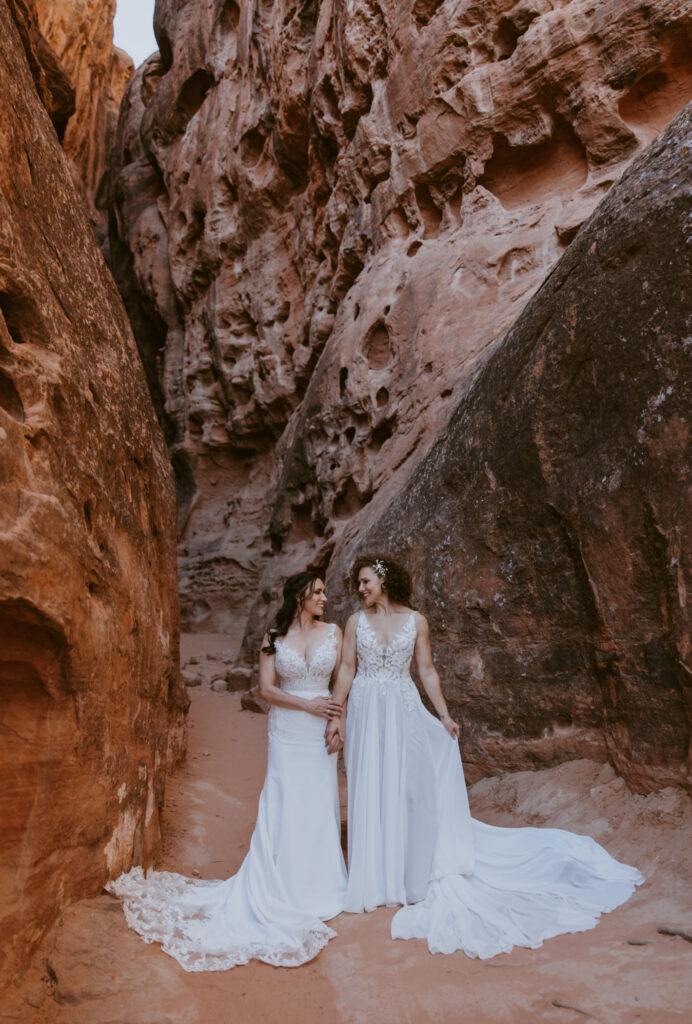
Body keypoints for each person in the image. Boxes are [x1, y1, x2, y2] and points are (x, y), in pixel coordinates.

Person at [326, 554, 643, 959]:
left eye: (365, 581)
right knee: (369, 784)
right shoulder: (355, 623)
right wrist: (337, 716)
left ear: (383, 581)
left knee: (407, 789)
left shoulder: (416, 621)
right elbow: (347, 670)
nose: (360, 588)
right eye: (359, 583)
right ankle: (372, 879)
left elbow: (427, 671)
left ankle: (405, 876)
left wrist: (444, 715)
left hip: (403, 710)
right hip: (366, 710)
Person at [108, 569, 347, 970]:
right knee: (284, 798)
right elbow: (265, 690)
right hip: (289, 729)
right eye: (318, 592)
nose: (325, 598)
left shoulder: (335, 633)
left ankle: (319, 885)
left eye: (324, 592)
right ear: (301, 596)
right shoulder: (274, 637)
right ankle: (278, 882)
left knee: (318, 801)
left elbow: (343, 678)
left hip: (321, 730)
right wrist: (308, 705)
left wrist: (337, 718)